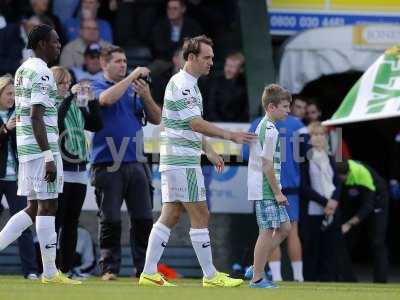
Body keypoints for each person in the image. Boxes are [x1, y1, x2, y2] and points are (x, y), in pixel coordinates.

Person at [139, 35, 255, 287]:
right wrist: (229, 135)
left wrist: (210, 150)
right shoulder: (184, 84)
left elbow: (187, 125)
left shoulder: (186, 83)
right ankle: (211, 276)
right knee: (201, 213)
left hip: (176, 158)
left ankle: (148, 272)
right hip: (182, 161)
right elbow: (194, 123)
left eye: (212, 58)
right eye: (207, 57)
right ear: (191, 58)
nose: (211, 62)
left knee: (170, 214)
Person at [0, 24, 80, 284]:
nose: (59, 46)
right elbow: (36, 115)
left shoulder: (23, 69)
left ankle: (49, 272)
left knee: (34, 207)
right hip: (39, 149)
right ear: (42, 44)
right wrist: (48, 155)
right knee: (48, 205)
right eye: (55, 42)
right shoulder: (43, 72)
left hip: (25, 147)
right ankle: (50, 273)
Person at [90, 45, 161, 281]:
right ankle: (109, 269)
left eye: (125, 61)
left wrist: (146, 95)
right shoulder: (96, 83)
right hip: (107, 161)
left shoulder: (134, 89)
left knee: (143, 218)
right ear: (104, 64)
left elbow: (156, 118)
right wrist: (132, 76)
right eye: (118, 61)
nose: (123, 65)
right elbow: (106, 100)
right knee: (110, 218)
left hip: (137, 161)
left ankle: (144, 269)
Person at [52, 66, 102, 276]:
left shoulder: (75, 104)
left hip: (79, 167)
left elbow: (96, 124)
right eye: (62, 83)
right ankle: (50, 267)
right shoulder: (51, 104)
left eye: (68, 82)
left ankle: (66, 269)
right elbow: (57, 121)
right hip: (61, 167)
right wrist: (68, 97)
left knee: (72, 222)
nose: (66, 86)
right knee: (56, 221)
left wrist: (92, 101)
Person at [246, 84, 292, 288]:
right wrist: (278, 192)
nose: (288, 110)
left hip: (267, 188)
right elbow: (267, 165)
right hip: (266, 189)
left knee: (285, 228)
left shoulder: (266, 126)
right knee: (267, 231)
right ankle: (256, 278)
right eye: (284, 106)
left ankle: (256, 265)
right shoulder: (270, 130)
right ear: (271, 107)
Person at [0, 75, 39, 279]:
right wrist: (5, 129)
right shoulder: (7, 118)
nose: (12, 98)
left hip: (15, 176)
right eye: (8, 94)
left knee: (24, 223)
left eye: (14, 94)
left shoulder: (19, 113)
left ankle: (31, 270)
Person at [336, 159, 389, 283]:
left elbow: (368, 206)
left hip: (377, 201)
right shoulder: (339, 172)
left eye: (341, 178)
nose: (339, 181)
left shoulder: (362, 174)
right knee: (343, 239)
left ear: (347, 174)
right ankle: (348, 279)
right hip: (356, 200)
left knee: (377, 241)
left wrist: (349, 224)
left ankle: (380, 282)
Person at [300, 122, 341, 281]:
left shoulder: (330, 157)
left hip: (332, 209)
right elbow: (304, 187)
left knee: (329, 248)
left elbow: (337, 182)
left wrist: (334, 201)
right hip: (314, 210)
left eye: (321, 134)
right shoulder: (305, 159)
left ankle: (328, 279)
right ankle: (310, 279)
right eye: (314, 135)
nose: (318, 138)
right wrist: (326, 202)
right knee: (312, 248)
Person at [150, 0, 203, 74]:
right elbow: (158, 46)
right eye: (169, 8)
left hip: (186, 59)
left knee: (198, 71)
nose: (171, 11)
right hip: (165, 60)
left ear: (183, 9)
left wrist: (181, 56)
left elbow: (195, 45)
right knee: (150, 71)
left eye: (175, 8)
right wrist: (174, 57)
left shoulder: (192, 26)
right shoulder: (160, 26)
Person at [206, 52, 249, 122]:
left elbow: (246, 111)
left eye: (232, 67)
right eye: (227, 65)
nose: (228, 69)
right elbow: (211, 107)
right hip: (217, 124)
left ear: (241, 69)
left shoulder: (245, 85)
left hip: (239, 126)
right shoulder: (216, 82)